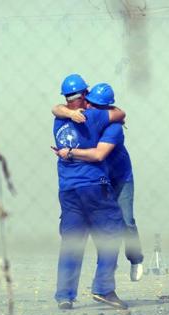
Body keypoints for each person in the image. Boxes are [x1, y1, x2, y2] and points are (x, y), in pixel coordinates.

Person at [53, 83, 144, 282]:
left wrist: (69, 153)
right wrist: (69, 114)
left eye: (98, 106)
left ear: (107, 108)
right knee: (101, 226)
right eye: (91, 103)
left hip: (120, 178)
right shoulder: (84, 117)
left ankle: (135, 258)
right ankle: (106, 266)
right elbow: (58, 107)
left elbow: (99, 154)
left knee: (126, 221)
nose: (92, 108)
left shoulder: (113, 126)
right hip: (99, 180)